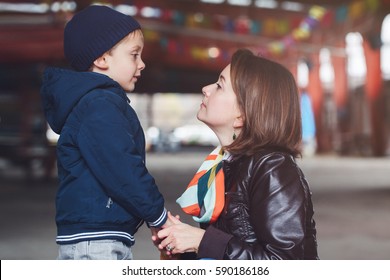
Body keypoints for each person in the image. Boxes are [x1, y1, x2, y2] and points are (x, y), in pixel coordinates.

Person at [155, 49, 319, 260]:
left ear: (242, 114)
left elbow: (283, 262)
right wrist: (180, 248)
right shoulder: (227, 163)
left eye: (219, 86)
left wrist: (201, 241)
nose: (206, 89)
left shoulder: (273, 168)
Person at [40, 5, 169, 260]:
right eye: (134, 55)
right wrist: (158, 215)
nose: (142, 64)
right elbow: (122, 168)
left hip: (98, 236)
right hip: (96, 241)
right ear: (102, 59)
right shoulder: (99, 105)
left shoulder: (100, 102)